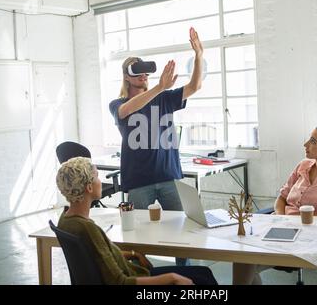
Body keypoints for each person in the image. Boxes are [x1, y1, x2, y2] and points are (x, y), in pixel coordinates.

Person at [109, 27, 203, 266]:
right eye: (137, 73)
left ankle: (186, 276)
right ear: (127, 77)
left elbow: (194, 87)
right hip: (140, 181)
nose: (143, 76)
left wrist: (199, 56)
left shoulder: (163, 98)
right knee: (137, 236)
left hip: (169, 176)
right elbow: (127, 110)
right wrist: (159, 86)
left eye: (145, 73)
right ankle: (139, 277)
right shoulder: (118, 103)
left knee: (183, 233)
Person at [56, 156, 218, 285]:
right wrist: (171, 278)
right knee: (204, 277)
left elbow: (101, 255)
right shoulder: (88, 229)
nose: (100, 181)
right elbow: (120, 282)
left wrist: (133, 254)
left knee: (203, 273)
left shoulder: (66, 220)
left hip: (130, 271)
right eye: (97, 177)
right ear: (89, 188)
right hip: (131, 279)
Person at [233, 123, 317, 284]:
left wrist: (288, 225)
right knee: (241, 255)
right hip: (281, 226)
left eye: (312, 141)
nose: (305, 144)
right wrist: (281, 219)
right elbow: (282, 197)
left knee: (246, 260)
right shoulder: (303, 165)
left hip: (309, 236)